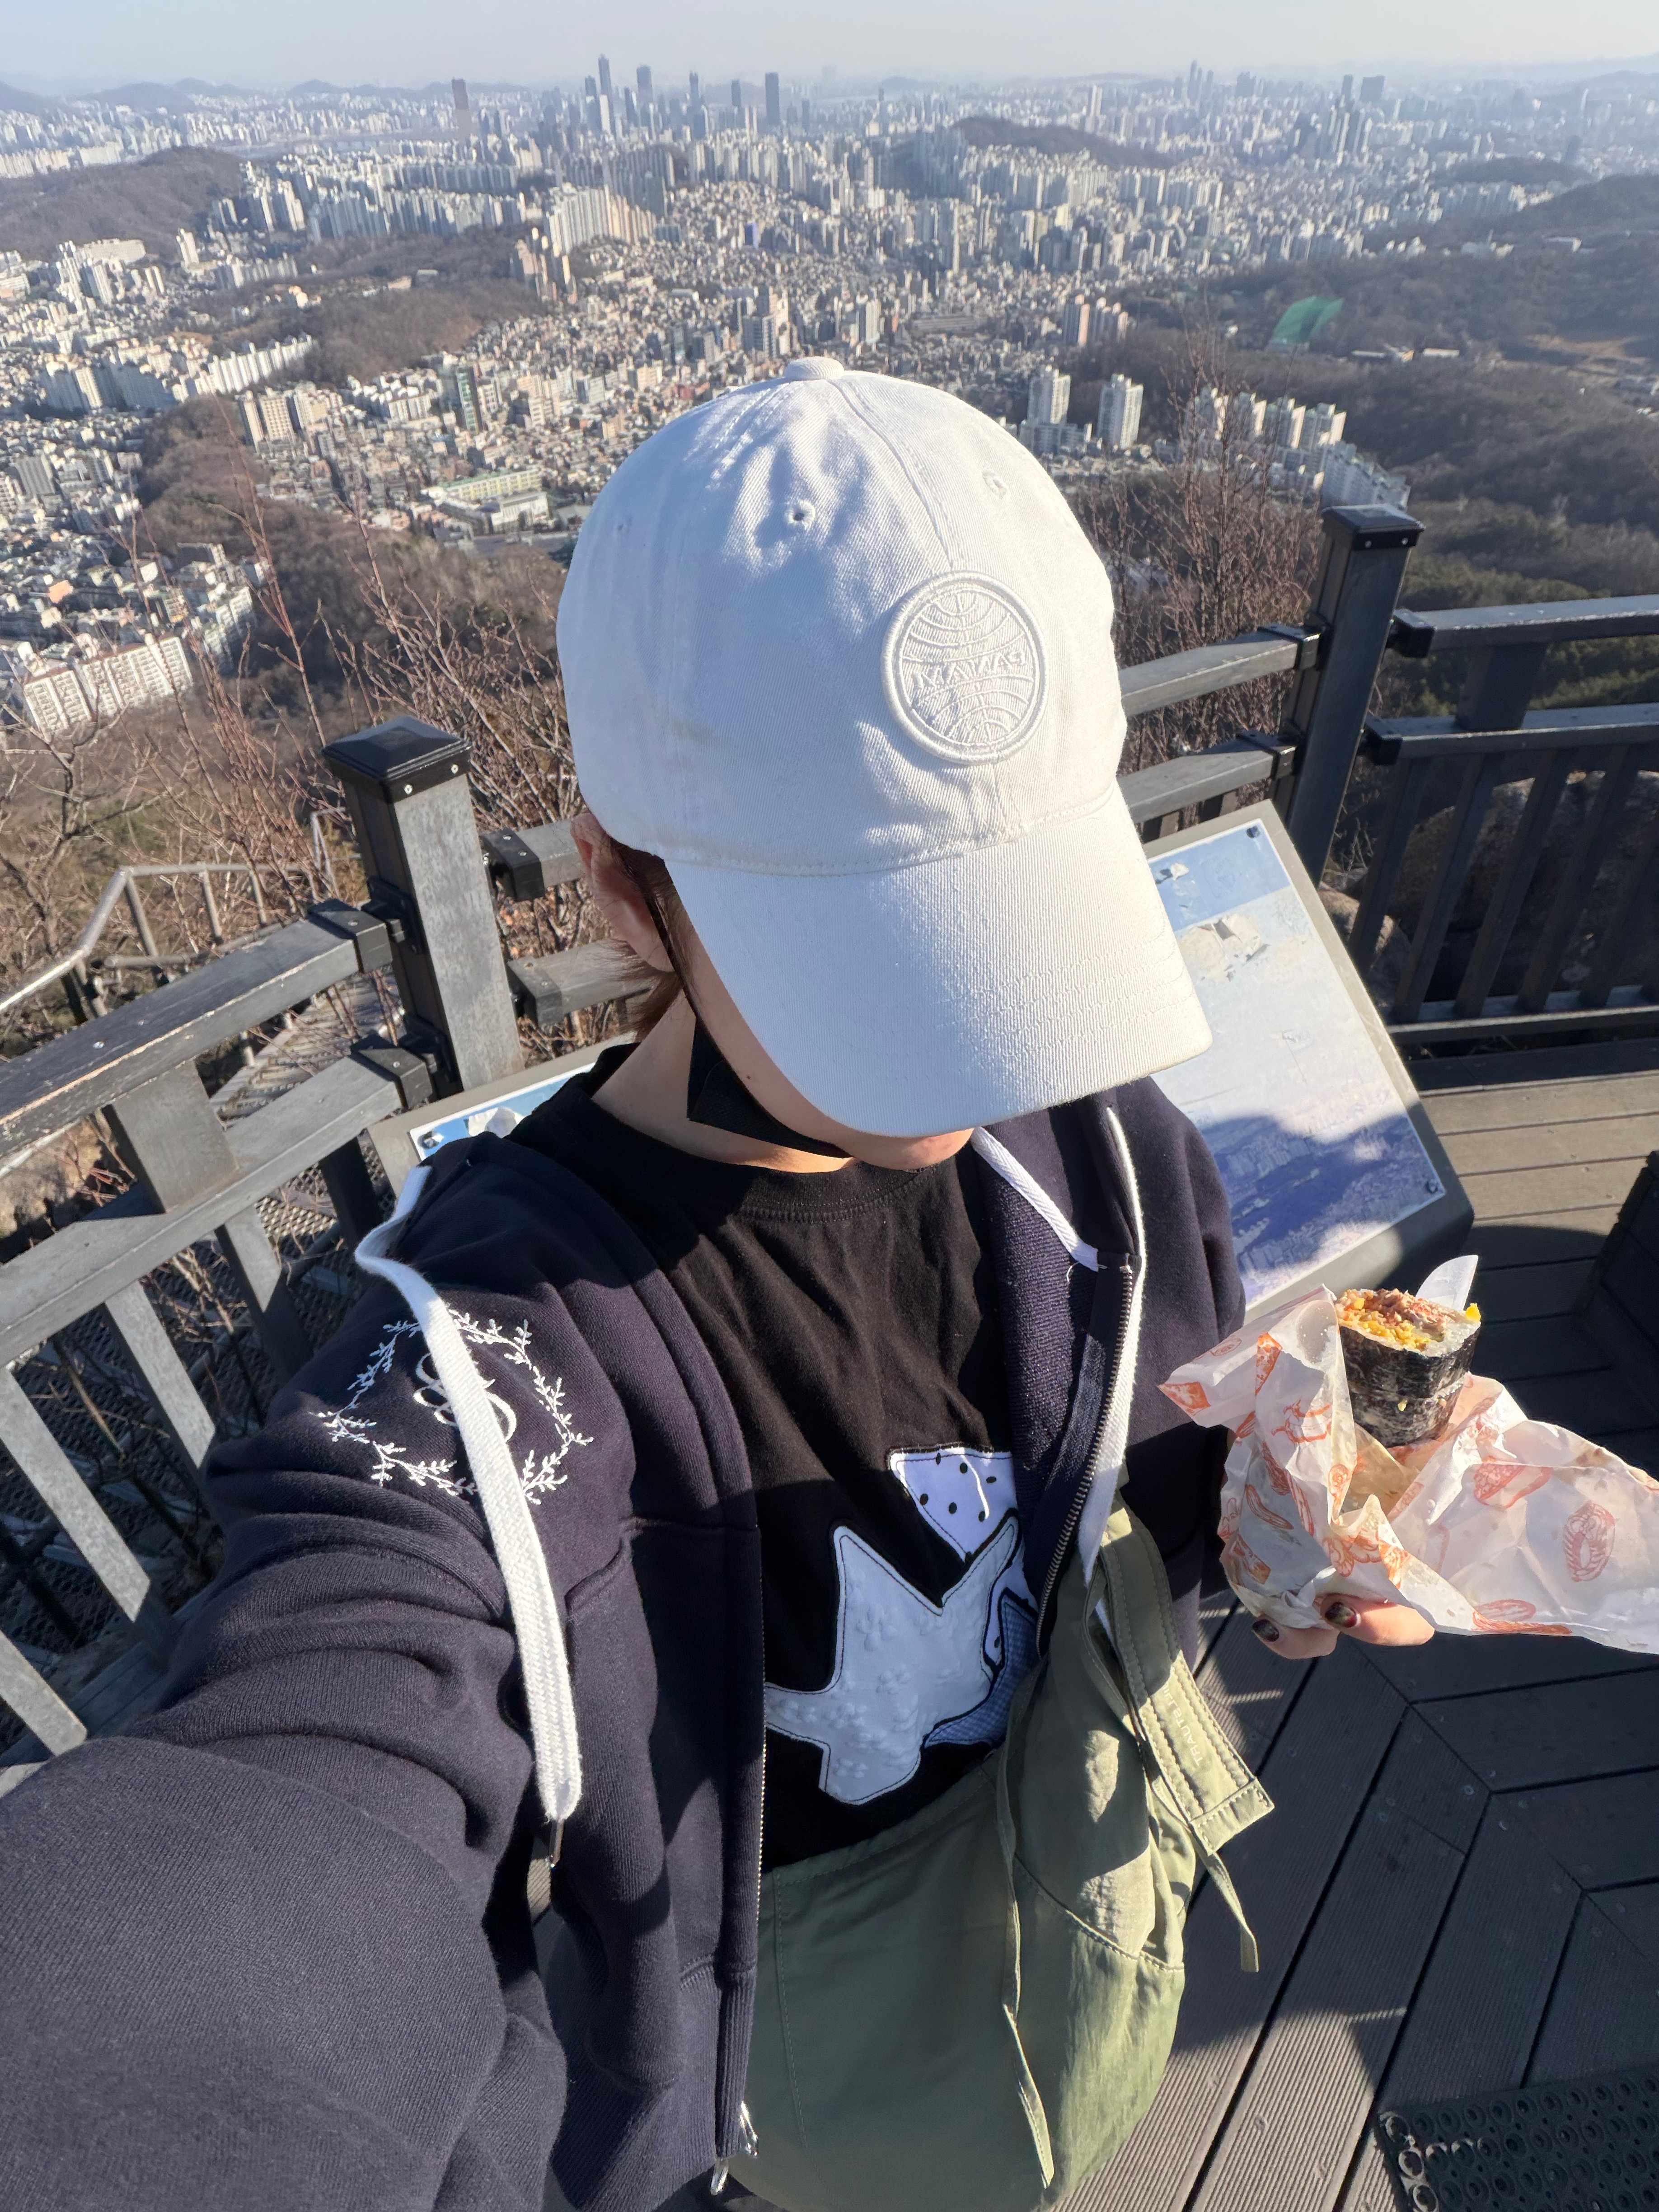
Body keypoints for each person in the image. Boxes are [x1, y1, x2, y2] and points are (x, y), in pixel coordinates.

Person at [0, 359, 1429, 2212]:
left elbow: (1148, 1453)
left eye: (1008, 926)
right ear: (620, 886)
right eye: (880, 953)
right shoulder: (494, 1354)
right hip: (787, 2051)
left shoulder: (1098, 1144)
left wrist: (1275, 1519)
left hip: (1079, 1920)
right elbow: (321, 1756)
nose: (976, 1044)